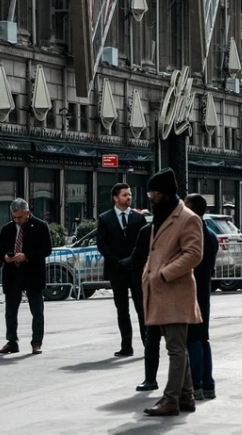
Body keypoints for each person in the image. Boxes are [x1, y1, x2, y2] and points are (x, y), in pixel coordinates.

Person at [142, 168, 203, 417]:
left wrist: (165, 273)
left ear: (165, 193)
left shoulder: (187, 218)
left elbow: (194, 254)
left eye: (154, 193)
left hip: (174, 290)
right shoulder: (164, 215)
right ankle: (186, 397)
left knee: (176, 349)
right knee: (176, 347)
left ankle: (170, 399)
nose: (150, 197)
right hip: (162, 291)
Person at [0, 199, 52, 355]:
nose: (17, 220)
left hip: (32, 273)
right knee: (11, 311)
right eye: (14, 217)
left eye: (19, 217)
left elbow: (46, 249)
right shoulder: (8, 229)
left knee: (37, 311)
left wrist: (26, 256)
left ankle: (36, 342)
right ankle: (12, 341)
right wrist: (5, 256)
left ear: (27, 212)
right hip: (13, 274)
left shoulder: (40, 226)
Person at [97, 182, 148, 357]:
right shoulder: (105, 218)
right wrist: (117, 261)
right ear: (115, 198)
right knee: (122, 309)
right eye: (125, 195)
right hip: (116, 269)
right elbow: (102, 244)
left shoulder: (138, 218)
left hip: (135, 269)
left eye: (130, 195)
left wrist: (131, 259)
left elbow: (143, 244)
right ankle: (126, 345)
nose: (129, 198)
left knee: (141, 307)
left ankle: (147, 343)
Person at [184, 194, 219, 401]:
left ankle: (196, 384)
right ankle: (207, 384)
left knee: (194, 340)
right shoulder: (210, 234)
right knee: (202, 339)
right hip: (203, 292)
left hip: (192, 292)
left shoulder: (195, 235)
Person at [132, 223, 161, 392]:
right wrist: (140, 292)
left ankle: (184, 387)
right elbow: (137, 262)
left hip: (172, 292)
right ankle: (150, 379)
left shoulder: (181, 228)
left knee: (177, 344)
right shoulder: (147, 231)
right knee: (152, 338)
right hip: (151, 291)